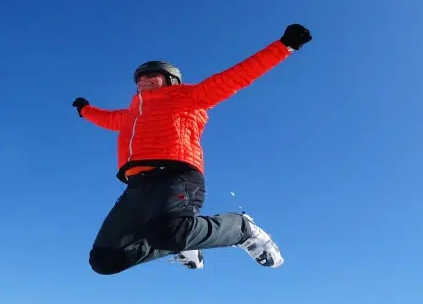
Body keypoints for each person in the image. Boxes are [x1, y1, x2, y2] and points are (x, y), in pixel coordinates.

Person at [72, 24, 312, 275]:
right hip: (136, 186)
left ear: (170, 80)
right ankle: (186, 243)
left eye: (151, 76)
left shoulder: (188, 97)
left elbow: (235, 77)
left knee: (169, 232)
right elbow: (106, 119)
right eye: (139, 79)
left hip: (175, 175)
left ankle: (241, 228)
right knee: (105, 260)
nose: (143, 82)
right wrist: (84, 110)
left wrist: (284, 46)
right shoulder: (132, 115)